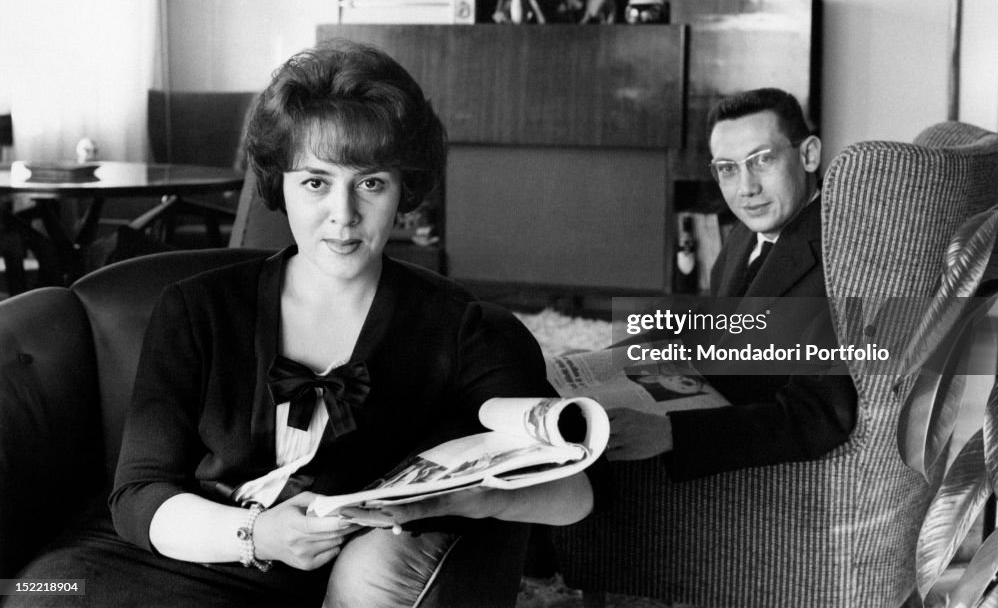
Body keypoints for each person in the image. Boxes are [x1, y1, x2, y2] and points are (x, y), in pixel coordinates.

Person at [13, 42, 595, 608]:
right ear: (280, 185)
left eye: (371, 182)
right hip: (162, 550)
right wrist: (256, 535)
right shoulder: (195, 309)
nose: (343, 215)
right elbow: (138, 493)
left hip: (299, 584)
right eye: (315, 182)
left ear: (403, 191)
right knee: (38, 595)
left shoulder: (464, 327)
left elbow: (572, 496)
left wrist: (458, 501)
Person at [606, 87, 857, 480]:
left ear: (808, 154)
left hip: (748, 454)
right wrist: (608, 361)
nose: (746, 188)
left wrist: (671, 434)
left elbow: (820, 415)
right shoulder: (745, 234)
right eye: (727, 168)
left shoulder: (843, 258)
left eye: (762, 160)